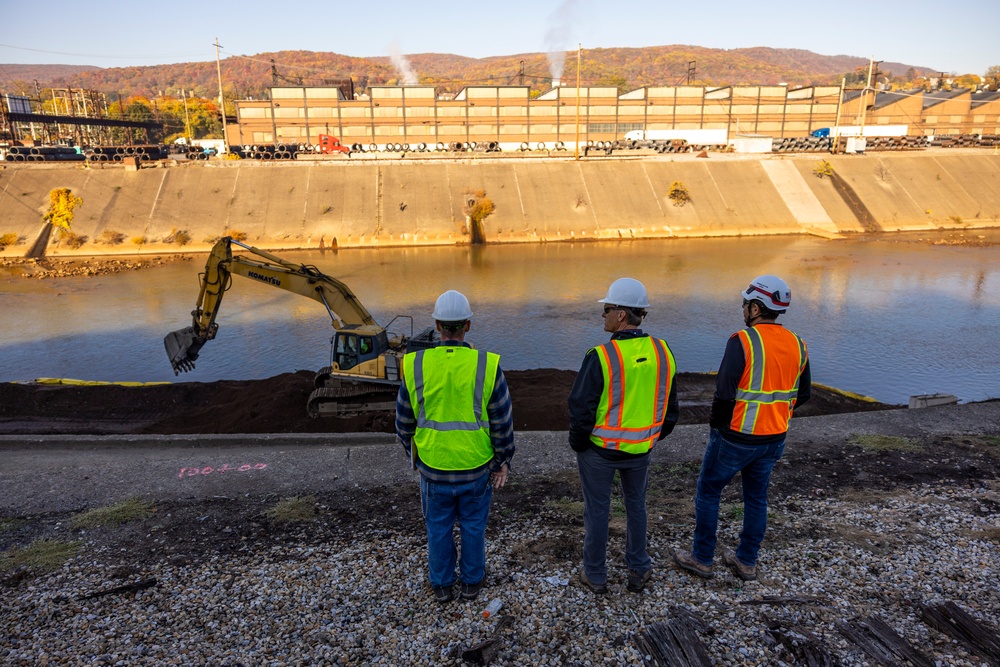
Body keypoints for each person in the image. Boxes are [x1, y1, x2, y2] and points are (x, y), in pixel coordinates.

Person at [673, 274, 811, 582]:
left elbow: (724, 392)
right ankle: (746, 561)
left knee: (709, 492)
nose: (743, 309)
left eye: (746, 304)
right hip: (774, 437)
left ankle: (702, 558)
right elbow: (803, 395)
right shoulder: (798, 344)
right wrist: (777, 413)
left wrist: (716, 428)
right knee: (757, 498)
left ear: (757, 308)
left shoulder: (743, 341)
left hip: (736, 437)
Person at [396, 290, 515, 604]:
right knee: (474, 526)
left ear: (437, 325)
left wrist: (415, 455)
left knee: (438, 527)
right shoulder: (486, 366)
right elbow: (502, 421)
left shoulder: (415, 364)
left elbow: (403, 422)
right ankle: (472, 582)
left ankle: (442, 584)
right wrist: (502, 460)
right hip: (476, 467)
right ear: (468, 326)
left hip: (434, 469)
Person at [568, 277, 679, 594]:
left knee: (598, 512)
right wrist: (652, 436)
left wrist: (580, 444)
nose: (602, 314)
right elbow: (671, 406)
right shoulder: (662, 350)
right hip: (641, 449)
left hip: (600, 452)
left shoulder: (601, 357)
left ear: (620, 315)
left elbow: (580, 407)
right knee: (636, 507)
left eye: (606, 309)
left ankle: (596, 575)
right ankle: (639, 568)